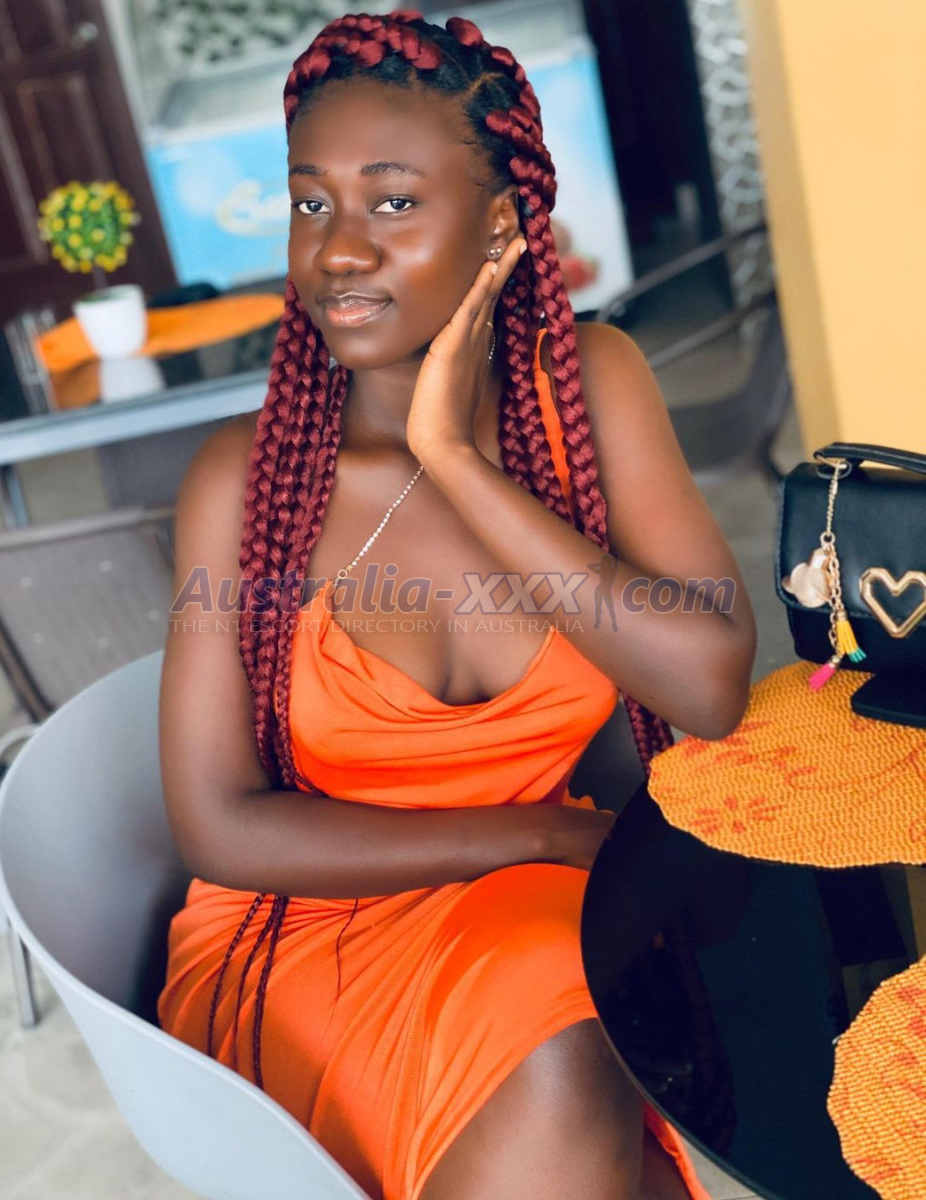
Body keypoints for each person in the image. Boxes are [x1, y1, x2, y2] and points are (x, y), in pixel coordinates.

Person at [156, 10, 757, 1200]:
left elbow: (708, 685)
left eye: (392, 202)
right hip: (311, 934)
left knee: (577, 1018)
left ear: (498, 227)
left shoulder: (592, 391)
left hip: (541, 912)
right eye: (311, 202)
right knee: (569, 1026)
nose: (336, 250)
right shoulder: (249, 482)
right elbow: (220, 823)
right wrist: (542, 835)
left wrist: (458, 462)